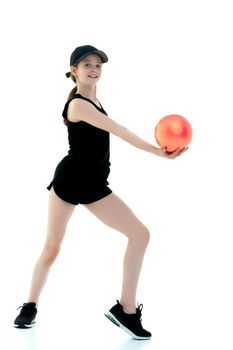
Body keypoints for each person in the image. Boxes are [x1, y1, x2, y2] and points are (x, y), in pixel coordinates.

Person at [13, 45, 186, 340]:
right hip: (68, 181)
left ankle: (126, 310)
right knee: (52, 248)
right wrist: (157, 152)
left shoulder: (95, 100)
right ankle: (30, 305)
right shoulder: (78, 105)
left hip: (94, 185)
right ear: (73, 71)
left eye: (98, 65)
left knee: (140, 234)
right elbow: (118, 130)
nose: (94, 69)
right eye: (87, 65)